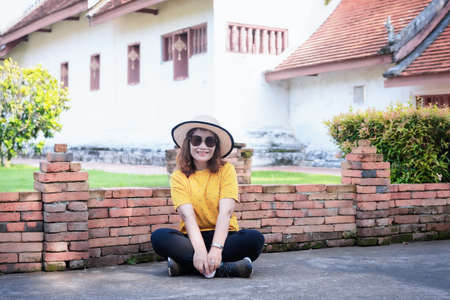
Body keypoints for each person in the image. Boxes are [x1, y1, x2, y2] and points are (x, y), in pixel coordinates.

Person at [151, 115, 265, 278]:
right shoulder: (179, 176)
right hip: (192, 238)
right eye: (197, 140)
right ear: (188, 143)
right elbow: (188, 216)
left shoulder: (226, 170)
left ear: (216, 146)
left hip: (224, 237)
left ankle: (186, 267)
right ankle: (227, 268)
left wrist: (216, 249)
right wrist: (199, 250)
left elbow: (225, 213)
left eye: (209, 141)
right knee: (159, 237)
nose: (203, 146)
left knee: (255, 240)